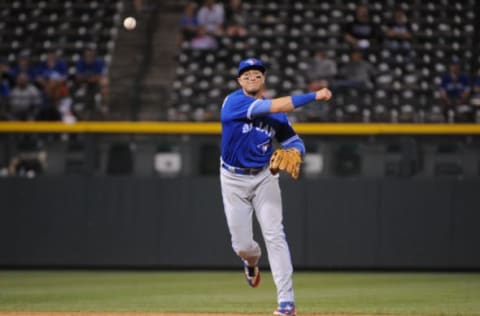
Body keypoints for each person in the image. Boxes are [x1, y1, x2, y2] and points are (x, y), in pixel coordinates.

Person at [220, 58, 332, 316]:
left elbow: (294, 140)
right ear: (239, 81)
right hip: (233, 179)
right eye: (245, 74)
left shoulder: (276, 115)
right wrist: (315, 95)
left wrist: (295, 150)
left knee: (275, 234)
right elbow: (278, 104)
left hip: (264, 177)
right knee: (242, 246)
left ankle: (287, 303)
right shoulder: (233, 102)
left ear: (263, 79)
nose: (251, 76)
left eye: (256, 73)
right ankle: (251, 262)